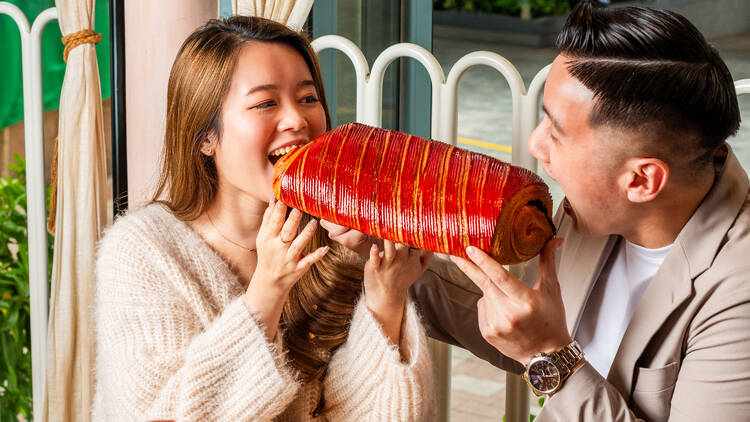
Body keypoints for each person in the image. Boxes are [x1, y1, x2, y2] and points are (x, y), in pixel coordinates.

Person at [323, 2, 750, 420]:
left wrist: (548, 356)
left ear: (641, 180)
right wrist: (391, 257)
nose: (534, 145)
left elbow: (541, 349)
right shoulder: (598, 211)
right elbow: (518, 326)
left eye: (556, 132)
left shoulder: (739, 294)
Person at [92, 16, 434, 421]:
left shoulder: (338, 240)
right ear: (206, 137)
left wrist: (385, 295)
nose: (297, 120)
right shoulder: (141, 254)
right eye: (265, 103)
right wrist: (267, 292)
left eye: (308, 98)